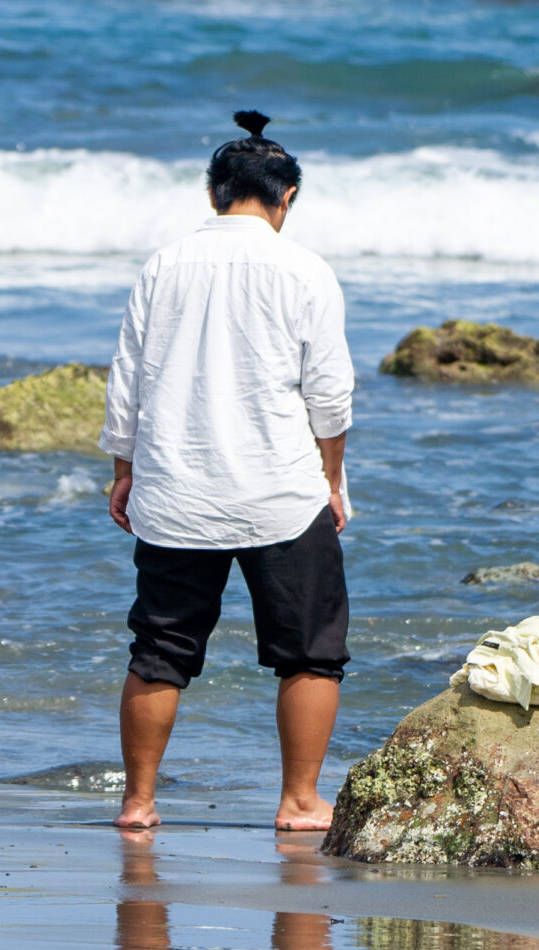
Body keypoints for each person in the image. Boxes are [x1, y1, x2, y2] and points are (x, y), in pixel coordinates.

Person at [99, 112, 354, 835]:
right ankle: (300, 802)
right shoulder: (304, 270)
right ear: (288, 194)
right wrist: (332, 479)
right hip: (281, 491)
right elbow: (329, 394)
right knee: (311, 651)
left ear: (214, 193)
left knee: (159, 652)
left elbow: (129, 382)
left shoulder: (164, 265)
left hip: (177, 489)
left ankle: (138, 802)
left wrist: (125, 468)